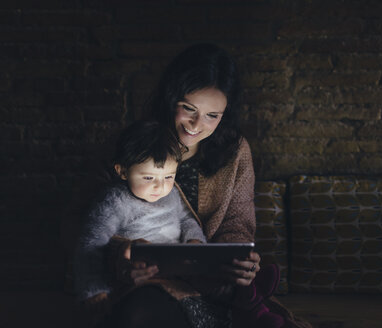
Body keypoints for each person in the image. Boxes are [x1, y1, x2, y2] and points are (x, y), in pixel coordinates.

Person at [146, 43, 309, 328]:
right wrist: (121, 257)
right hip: (145, 278)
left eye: (213, 116)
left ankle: (246, 297)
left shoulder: (234, 151)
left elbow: (237, 220)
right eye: (188, 109)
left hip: (211, 281)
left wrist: (238, 260)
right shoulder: (136, 142)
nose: (197, 124)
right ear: (169, 99)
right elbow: (83, 218)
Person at [73, 120, 206, 327]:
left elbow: (186, 219)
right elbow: (91, 243)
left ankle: (252, 296)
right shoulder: (115, 201)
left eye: (169, 176)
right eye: (148, 177)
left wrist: (195, 240)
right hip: (134, 276)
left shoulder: (172, 193)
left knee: (220, 283)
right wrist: (94, 289)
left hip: (177, 273)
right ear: (123, 171)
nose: (160, 186)